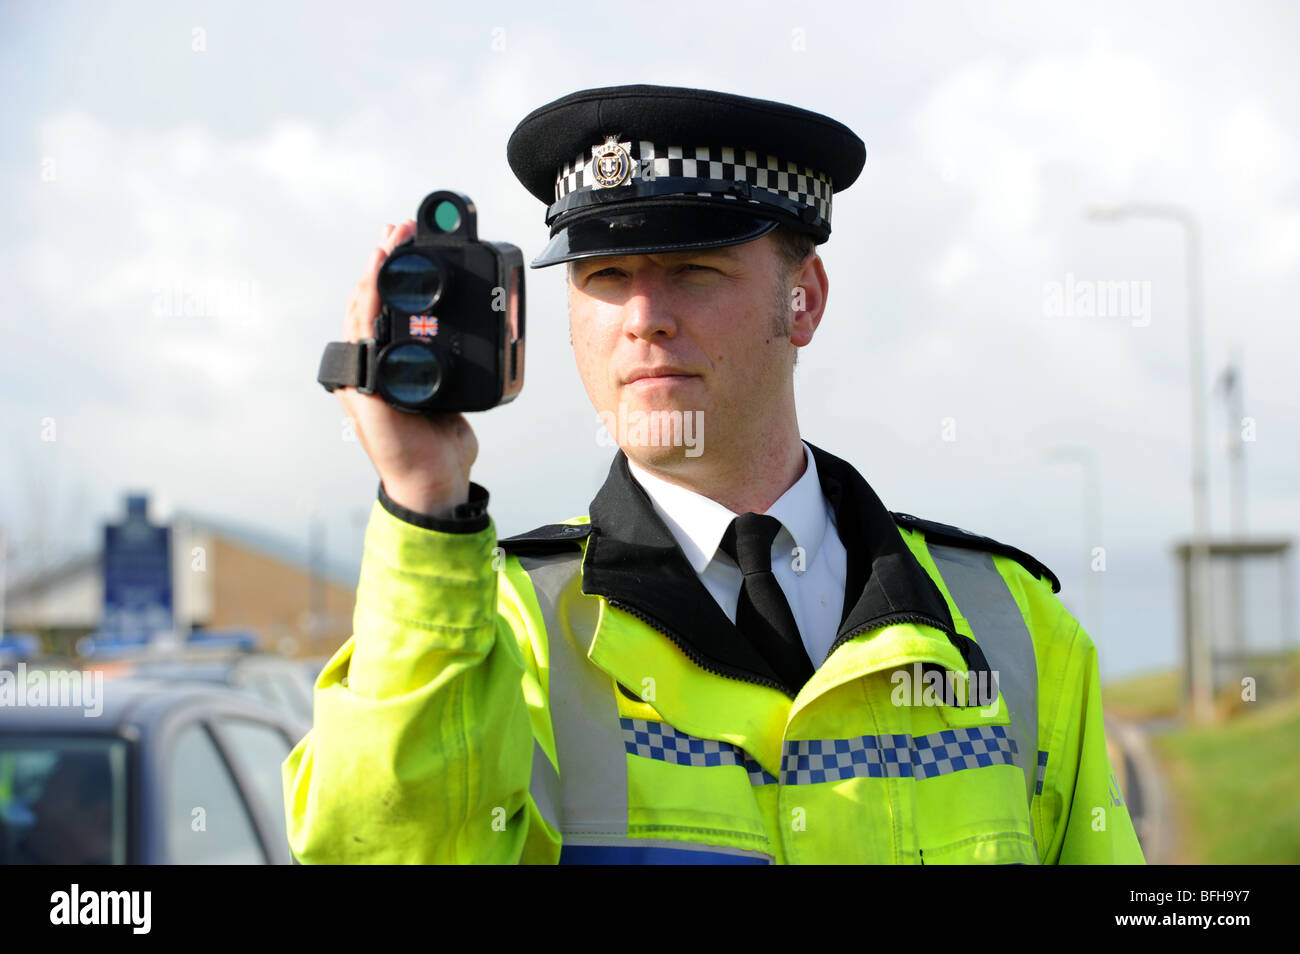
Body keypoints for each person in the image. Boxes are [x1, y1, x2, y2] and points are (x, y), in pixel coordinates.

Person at [284, 84, 1145, 864]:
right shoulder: (498, 631)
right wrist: (425, 503)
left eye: (694, 271)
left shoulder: (1012, 628)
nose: (645, 320)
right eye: (607, 277)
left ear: (803, 298)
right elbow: (392, 850)